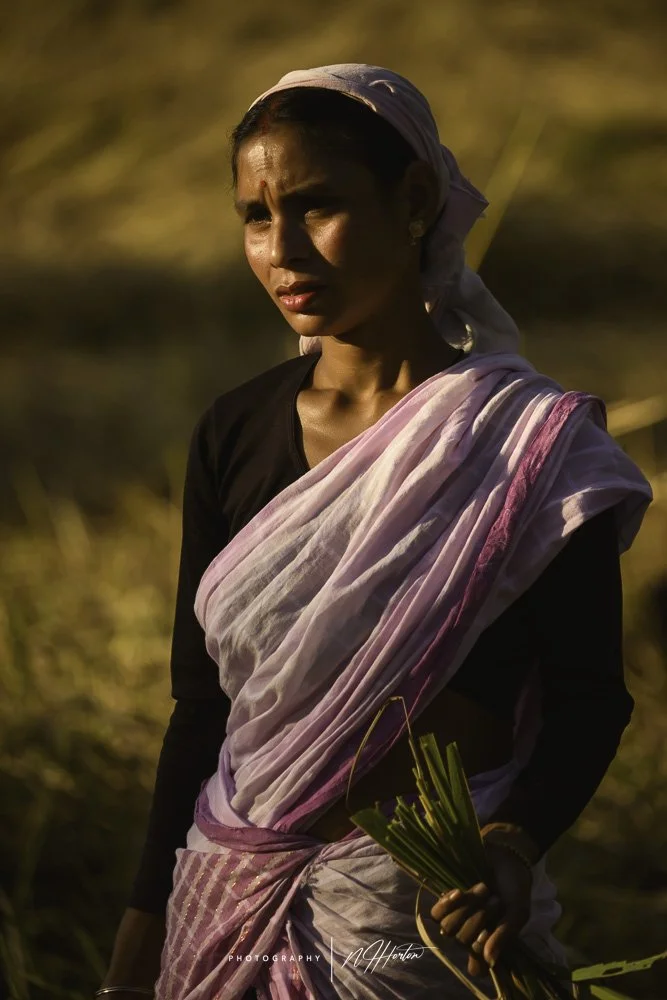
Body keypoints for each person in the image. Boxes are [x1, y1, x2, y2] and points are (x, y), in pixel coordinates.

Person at [97, 65, 652, 999]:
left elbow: (589, 697)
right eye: (253, 216)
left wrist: (511, 843)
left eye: (316, 206)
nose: (282, 250)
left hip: (424, 927)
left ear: (415, 200)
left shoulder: (527, 446)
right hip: (227, 900)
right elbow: (202, 711)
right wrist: (137, 941)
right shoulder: (234, 430)